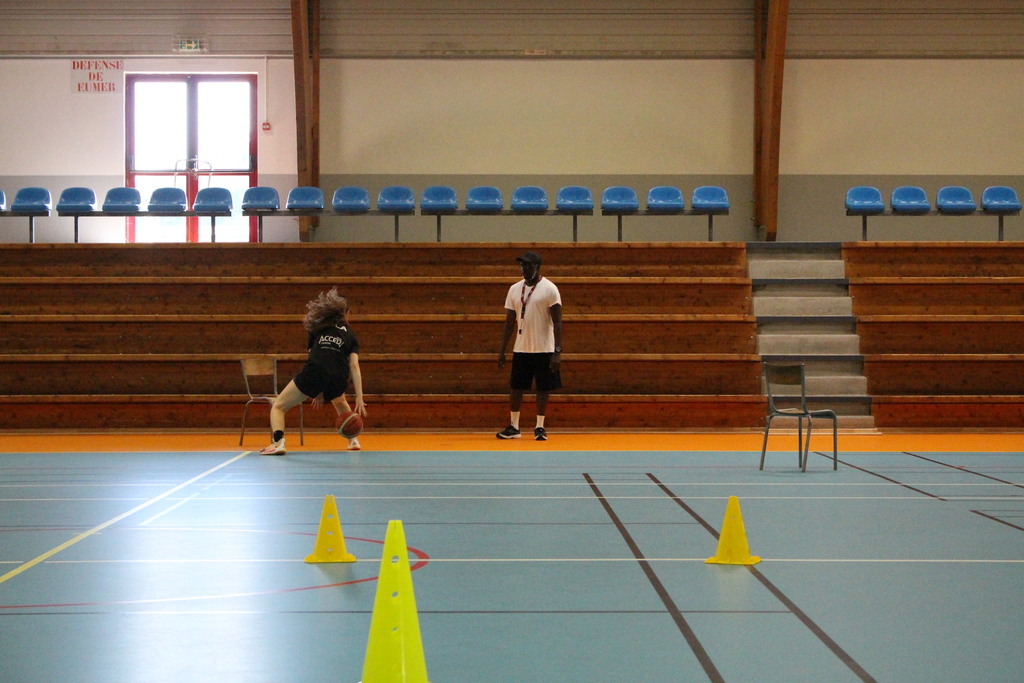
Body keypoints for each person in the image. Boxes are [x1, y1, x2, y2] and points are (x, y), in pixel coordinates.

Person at [260, 287, 367, 455]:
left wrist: (316, 389)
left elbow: (314, 357)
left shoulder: (317, 327)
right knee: (339, 399)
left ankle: (278, 443)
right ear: (346, 314)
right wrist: (359, 396)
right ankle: (353, 439)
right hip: (338, 376)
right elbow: (354, 365)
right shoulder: (351, 335)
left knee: (278, 406)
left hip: (315, 372)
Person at [497, 251, 563, 441]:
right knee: (516, 387)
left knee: (543, 388)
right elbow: (509, 322)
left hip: (544, 348)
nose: (523, 268)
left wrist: (557, 351)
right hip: (521, 347)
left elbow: (558, 322)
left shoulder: (550, 289)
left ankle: (539, 426)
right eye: (522, 265)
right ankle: (514, 426)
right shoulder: (514, 289)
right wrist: (502, 350)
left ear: (537, 267)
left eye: (528, 265)